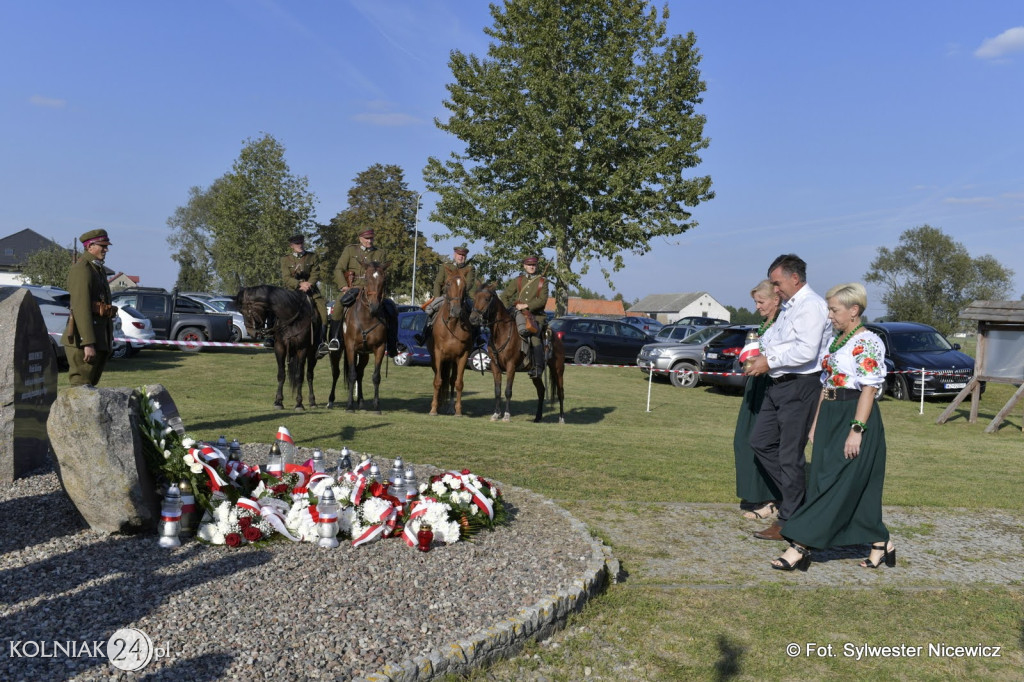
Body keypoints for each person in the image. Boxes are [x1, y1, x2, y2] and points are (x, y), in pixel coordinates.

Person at [770, 283, 894, 571]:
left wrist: (857, 429)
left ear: (854, 311)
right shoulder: (838, 341)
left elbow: (869, 388)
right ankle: (880, 542)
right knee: (824, 482)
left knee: (835, 485)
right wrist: (815, 425)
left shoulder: (868, 342)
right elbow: (827, 386)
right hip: (829, 416)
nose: (829, 315)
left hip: (853, 416)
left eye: (834, 310)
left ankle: (800, 545)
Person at [744, 254, 832, 541]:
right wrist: (760, 356)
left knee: (789, 454)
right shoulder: (790, 308)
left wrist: (768, 361)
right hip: (778, 383)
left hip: (800, 384)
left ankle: (790, 520)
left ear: (795, 278)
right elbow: (778, 343)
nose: (775, 289)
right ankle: (799, 500)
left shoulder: (812, 306)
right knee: (761, 442)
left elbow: (807, 352)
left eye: (777, 283)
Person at [734, 280, 782, 520]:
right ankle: (755, 493)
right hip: (756, 384)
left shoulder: (783, 324)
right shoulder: (764, 324)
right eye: (755, 302)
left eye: (760, 301)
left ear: (776, 299)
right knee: (744, 439)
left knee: (766, 442)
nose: (757, 307)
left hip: (771, 385)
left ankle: (772, 498)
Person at [330, 229, 398, 356]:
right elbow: (339, 269)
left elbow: (382, 274)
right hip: (353, 288)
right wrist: (343, 286)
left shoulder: (380, 253)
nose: (369, 241)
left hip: (373, 290)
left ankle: (392, 343)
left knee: (391, 309)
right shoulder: (350, 250)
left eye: (371, 238)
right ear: (360, 238)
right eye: (366, 238)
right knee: (339, 304)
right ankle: (334, 339)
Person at [62, 229, 117, 387]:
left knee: (89, 388)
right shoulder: (82, 269)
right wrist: (88, 343)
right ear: (90, 246)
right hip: (84, 342)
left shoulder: (96, 269)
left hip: (97, 338)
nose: (106, 249)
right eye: (103, 245)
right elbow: (80, 308)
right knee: (81, 389)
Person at [416, 244, 476, 345]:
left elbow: (469, 283)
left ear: (465, 257)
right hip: (445, 296)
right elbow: (438, 282)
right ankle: (423, 335)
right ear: (454, 255)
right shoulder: (446, 266)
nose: (460, 257)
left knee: (474, 313)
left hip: (462, 296)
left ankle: (476, 340)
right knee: (429, 309)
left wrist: (460, 291)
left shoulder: (470, 268)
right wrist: (436, 296)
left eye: (463, 255)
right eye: (459, 254)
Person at [499, 255, 549, 378]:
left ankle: (538, 367)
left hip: (536, 316)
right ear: (524, 266)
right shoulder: (519, 280)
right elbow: (504, 295)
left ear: (537, 266)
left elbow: (542, 301)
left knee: (534, 337)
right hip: (517, 315)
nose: (531, 267)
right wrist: (508, 309)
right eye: (529, 265)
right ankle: (495, 360)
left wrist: (526, 305)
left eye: (534, 265)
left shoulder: (542, 281)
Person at [280, 234, 329, 358]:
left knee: (323, 312)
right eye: (297, 244)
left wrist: (309, 284)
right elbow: (286, 277)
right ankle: (272, 339)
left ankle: (322, 342)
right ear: (292, 246)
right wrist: (299, 284)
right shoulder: (285, 259)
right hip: (292, 291)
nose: (300, 245)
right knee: (276, 308)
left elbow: (316, 273)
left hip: (311, 291)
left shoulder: (312, 256)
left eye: (301, 243)